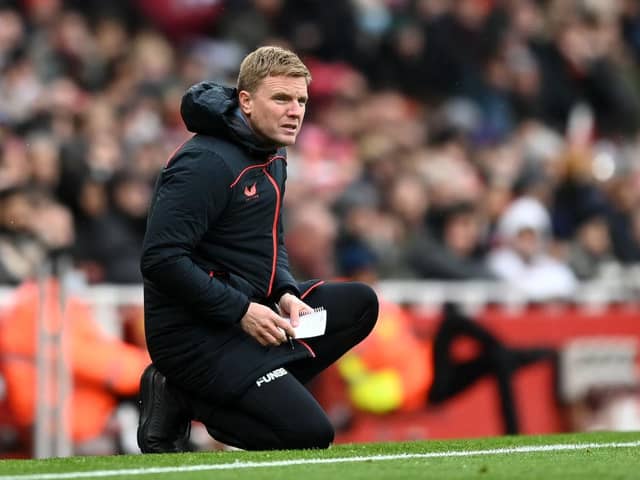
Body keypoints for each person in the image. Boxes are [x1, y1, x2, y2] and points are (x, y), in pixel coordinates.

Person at [137, 46, 379, 453]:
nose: (295, 111)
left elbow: (269, 241)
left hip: (252, 318)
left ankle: (256, 383)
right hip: (197, 337)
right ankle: (180, 394)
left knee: (358, 304)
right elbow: (161, 259)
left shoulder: (273, 151)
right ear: (246, 102)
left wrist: (284, 291)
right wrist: (242, 311)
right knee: (311, 435)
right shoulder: (205, 162)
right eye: (281, 98)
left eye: (301, 100)